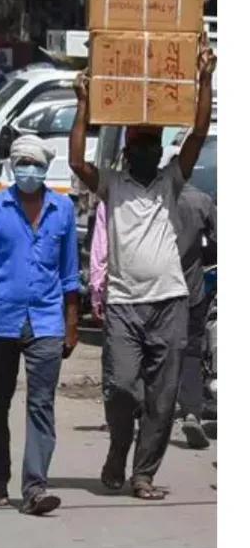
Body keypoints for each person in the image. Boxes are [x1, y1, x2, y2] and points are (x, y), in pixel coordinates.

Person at [68, 43, 215, 501]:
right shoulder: (113, 183)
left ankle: (144, 473)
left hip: (169, 300)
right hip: (125, 304)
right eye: (138, 143)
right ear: (128, 149)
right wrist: (83, 103)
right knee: (122, 389)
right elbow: (76, 162)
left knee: (162, 396)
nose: (146, 151)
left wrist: (205, 78)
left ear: (158, 149)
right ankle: (118, 448)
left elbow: (196, 135)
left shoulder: (171, 181)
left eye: (152, 143)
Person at [0, 134, 79, 516]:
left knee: (41, 404)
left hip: (46, 321)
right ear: (12, 166)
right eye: (22, 162)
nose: (28, 170)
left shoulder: (63, 209)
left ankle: (35, 488)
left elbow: (70, 273)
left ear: (45, 168)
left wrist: (71, 324)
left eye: (35, 164)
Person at [88, 182, 217, 450]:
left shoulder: (139, 201)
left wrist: (98, 288)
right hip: (189, 290)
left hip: (144, 292)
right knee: (189, 352)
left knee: (145, 357)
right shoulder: (201, 200)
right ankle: (190, 410)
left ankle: (139, 410)